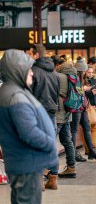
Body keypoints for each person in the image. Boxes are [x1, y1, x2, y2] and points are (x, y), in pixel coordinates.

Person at [0, 49, 58, 204]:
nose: (32, 73)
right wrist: (50, 143)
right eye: (28, 70)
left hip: (23, 163)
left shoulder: (12, 91)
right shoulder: (16, 96)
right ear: (17, 70)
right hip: (26, 165)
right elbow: (29, 133)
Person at [29, 44, 60, 190]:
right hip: (52, 112)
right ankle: (53, 179)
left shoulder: (33, 71)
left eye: (29, 52)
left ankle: (39, 181)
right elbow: (57, 94)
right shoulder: (54, 72)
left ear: (34, 54)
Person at [71, 57, 96, 161]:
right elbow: (73, 92)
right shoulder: (74, 78)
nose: (88, 73)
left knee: (87, 128)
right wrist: (84, 90)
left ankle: (92, 151)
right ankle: (74, 153)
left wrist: (88, 91)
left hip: (83, 107)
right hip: (76, 108)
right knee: (74, 130)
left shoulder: (84, 79)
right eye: (86, 71)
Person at [51, 56, 77, 179]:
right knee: (68, 141)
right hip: (68, 112)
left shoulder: (58, 76)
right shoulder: (72, 76)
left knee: (50, 142)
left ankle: (50, 170)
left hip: (58, 113)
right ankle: (71, 167)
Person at [83, 65, 96, 153]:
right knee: (87, 129)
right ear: (85, 72)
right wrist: (91, 92)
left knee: (95, 128)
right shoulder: (83, 82)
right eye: (88, 72)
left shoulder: (95, 81)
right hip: (88, 108)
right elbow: (83, 95)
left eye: (92, 72)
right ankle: (88, 148)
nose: (90, 74)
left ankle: (93, 147)